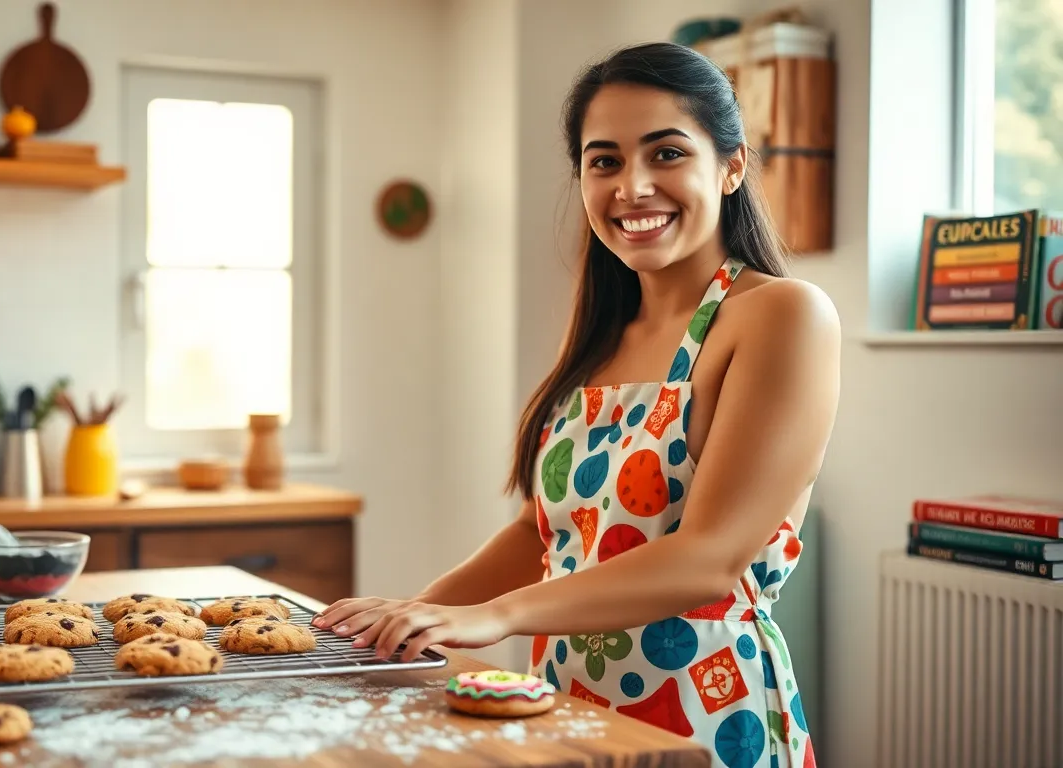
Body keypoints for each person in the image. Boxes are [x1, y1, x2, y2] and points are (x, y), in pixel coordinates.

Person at [313, 41, 838, 767]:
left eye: (667, 154)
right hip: (565, 712)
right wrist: (415, 619)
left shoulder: (783, 315)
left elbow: (708, 558)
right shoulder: (603, 336)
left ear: (732, 166)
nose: (633, 187)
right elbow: (544, 532)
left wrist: (487, 619)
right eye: (605, 161)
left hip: (708, 717)